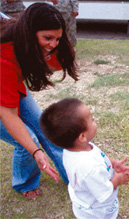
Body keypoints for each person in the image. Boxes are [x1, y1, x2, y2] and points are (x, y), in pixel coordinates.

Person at [0, 2, 77, 199]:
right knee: (28, 140)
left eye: (58, 38)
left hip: (10, 86)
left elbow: (58, 62)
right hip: (4, 85)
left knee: (45, 127)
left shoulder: (20, 32)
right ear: (30, 33)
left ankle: (74, 175)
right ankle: (24, 183)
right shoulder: (5, 58)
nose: (53, 44)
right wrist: (36, 151)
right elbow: (8, 115)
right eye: (47, 38)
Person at [40, 98, 129, 219]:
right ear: (82, 136)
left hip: (86, 204)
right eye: (92, 120)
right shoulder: (88, 168)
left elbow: (98, 157)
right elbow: (104, 193)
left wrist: (114, 163)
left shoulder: (75, 149)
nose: (95, 121)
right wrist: (118, 179)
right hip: (98, 214)